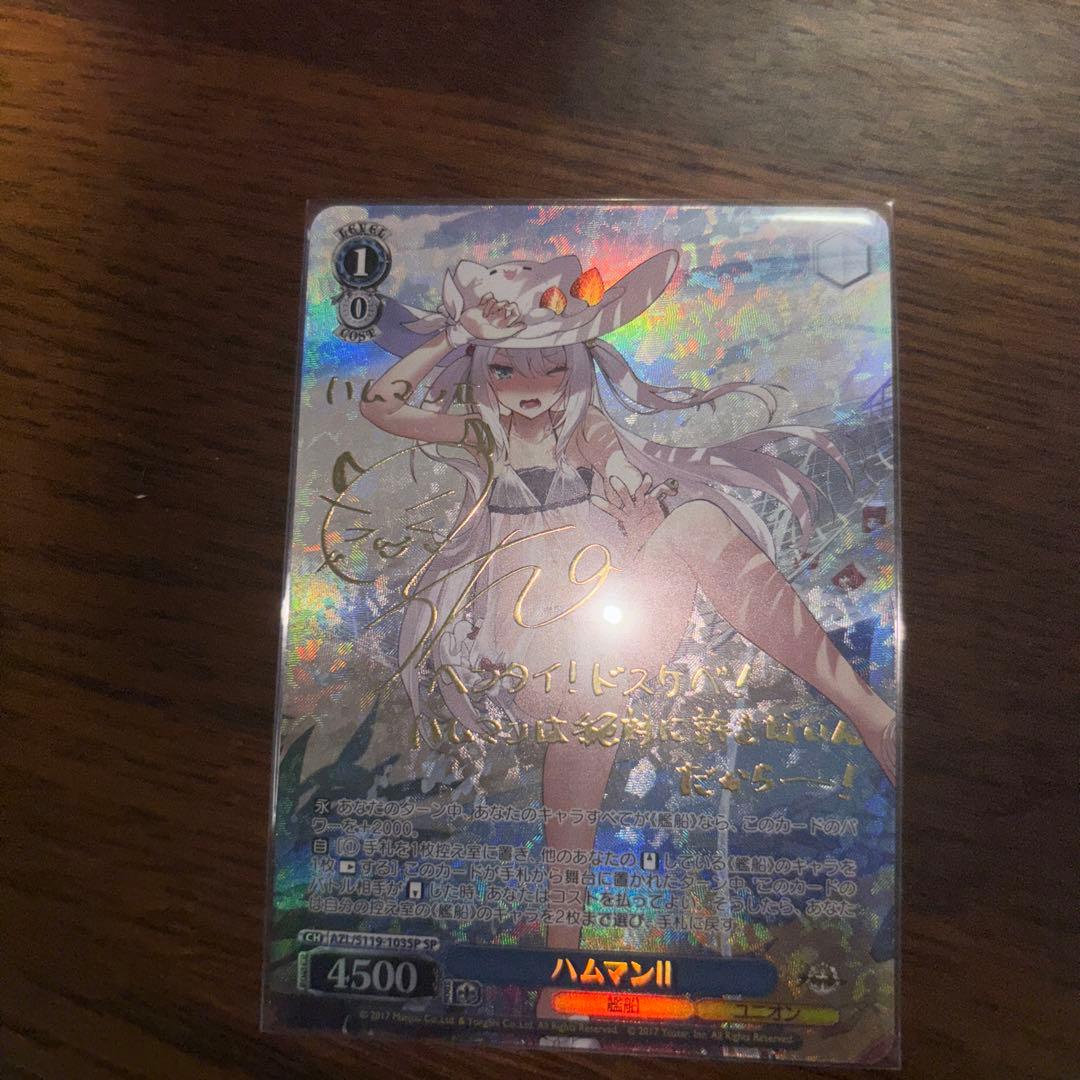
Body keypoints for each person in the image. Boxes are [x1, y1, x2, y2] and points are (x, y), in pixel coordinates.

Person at [359, 251, 897, 962]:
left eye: (553, 369)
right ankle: (562, 960)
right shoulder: (482, 434)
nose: (532, 388)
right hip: (526, 644)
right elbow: (381, 406)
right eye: (508, 369)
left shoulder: (586, 431)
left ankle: (871, 715)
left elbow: (615, 463)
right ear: (484, 371)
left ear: (576, 369)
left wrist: (632, 503)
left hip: (616, 624)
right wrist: (455, 336)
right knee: (575, 778)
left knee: (695, 523)